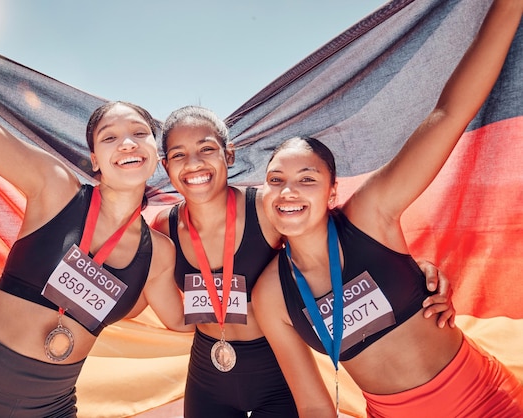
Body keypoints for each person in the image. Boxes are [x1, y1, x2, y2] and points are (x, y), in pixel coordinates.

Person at [252, 1, 523, 417]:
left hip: (487, 402)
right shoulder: (271, 296)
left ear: (331, 193)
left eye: (307, 178)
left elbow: (449, 115)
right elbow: (312, 404)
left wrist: (509, 7)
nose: (288, 191)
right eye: (275, 180)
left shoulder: (370, 215)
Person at [0, 47, 193, 417]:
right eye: (109, 138)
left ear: (156, 152)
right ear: (95, 160)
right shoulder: (55, 190)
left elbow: (183, 320)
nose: (128, 143)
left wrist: (258, 305)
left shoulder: (158, 254)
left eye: (139, 132)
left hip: (50, 407)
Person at [152, 106, 456, 418]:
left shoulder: (268, 207)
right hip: (208, 368)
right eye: (178, 154)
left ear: (228, 155)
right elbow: (143, 282)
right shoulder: (163, 228)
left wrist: (412, 272)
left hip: (277, 370)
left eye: (206, 148)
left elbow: (333, 235)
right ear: (165, 164)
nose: (194, 162)